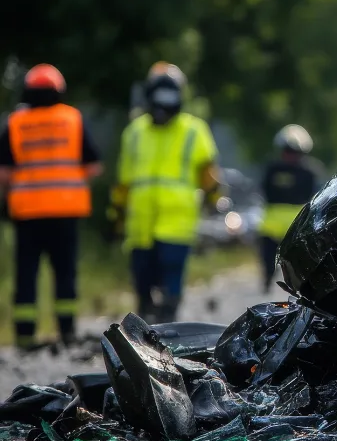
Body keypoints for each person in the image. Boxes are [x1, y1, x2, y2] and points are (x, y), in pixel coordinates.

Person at [107, 63, 223, 324]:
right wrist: (117, 216)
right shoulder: (135, 132)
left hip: (176, 222)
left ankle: (168, 325)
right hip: (141, 224)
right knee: (142, 278)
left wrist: (216, 201)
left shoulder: (194, 130)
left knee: (171, 277)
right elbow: (123, 181)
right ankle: (147, 322)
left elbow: (208, 172)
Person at [0, 64, 103, 349]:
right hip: (66, 211)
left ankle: (24, 336)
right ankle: (67, 333)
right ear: (59, 91)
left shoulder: (16, 122)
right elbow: (94, 166)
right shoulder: (72, 119)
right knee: (65, 273)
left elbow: (4, 174)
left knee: (26, 275)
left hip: (27, 213)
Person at [258, 124, 324, 294]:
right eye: (287, 151)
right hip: (272, 224)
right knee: (267, 259)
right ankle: (267, 279)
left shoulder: (309, 171)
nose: (289, 155)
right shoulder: (272, 169)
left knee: (298, 261)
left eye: (293, 152)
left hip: (296, 225)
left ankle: (300, 286)